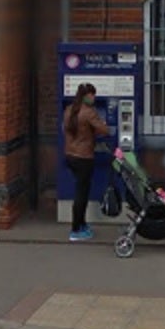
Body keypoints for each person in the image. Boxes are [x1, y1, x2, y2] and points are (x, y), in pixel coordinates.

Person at [61, 84, 111, 242]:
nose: (94, 97)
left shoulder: (69, 110)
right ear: (86, 96)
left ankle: (81, 224)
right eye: (92, 95)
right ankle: (76, 229)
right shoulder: (89, 112)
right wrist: (102, 125)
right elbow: (105, 130)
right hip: (84, 157)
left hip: (70, 155)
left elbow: (69, 129)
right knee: (81, 194)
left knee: (79, 191)